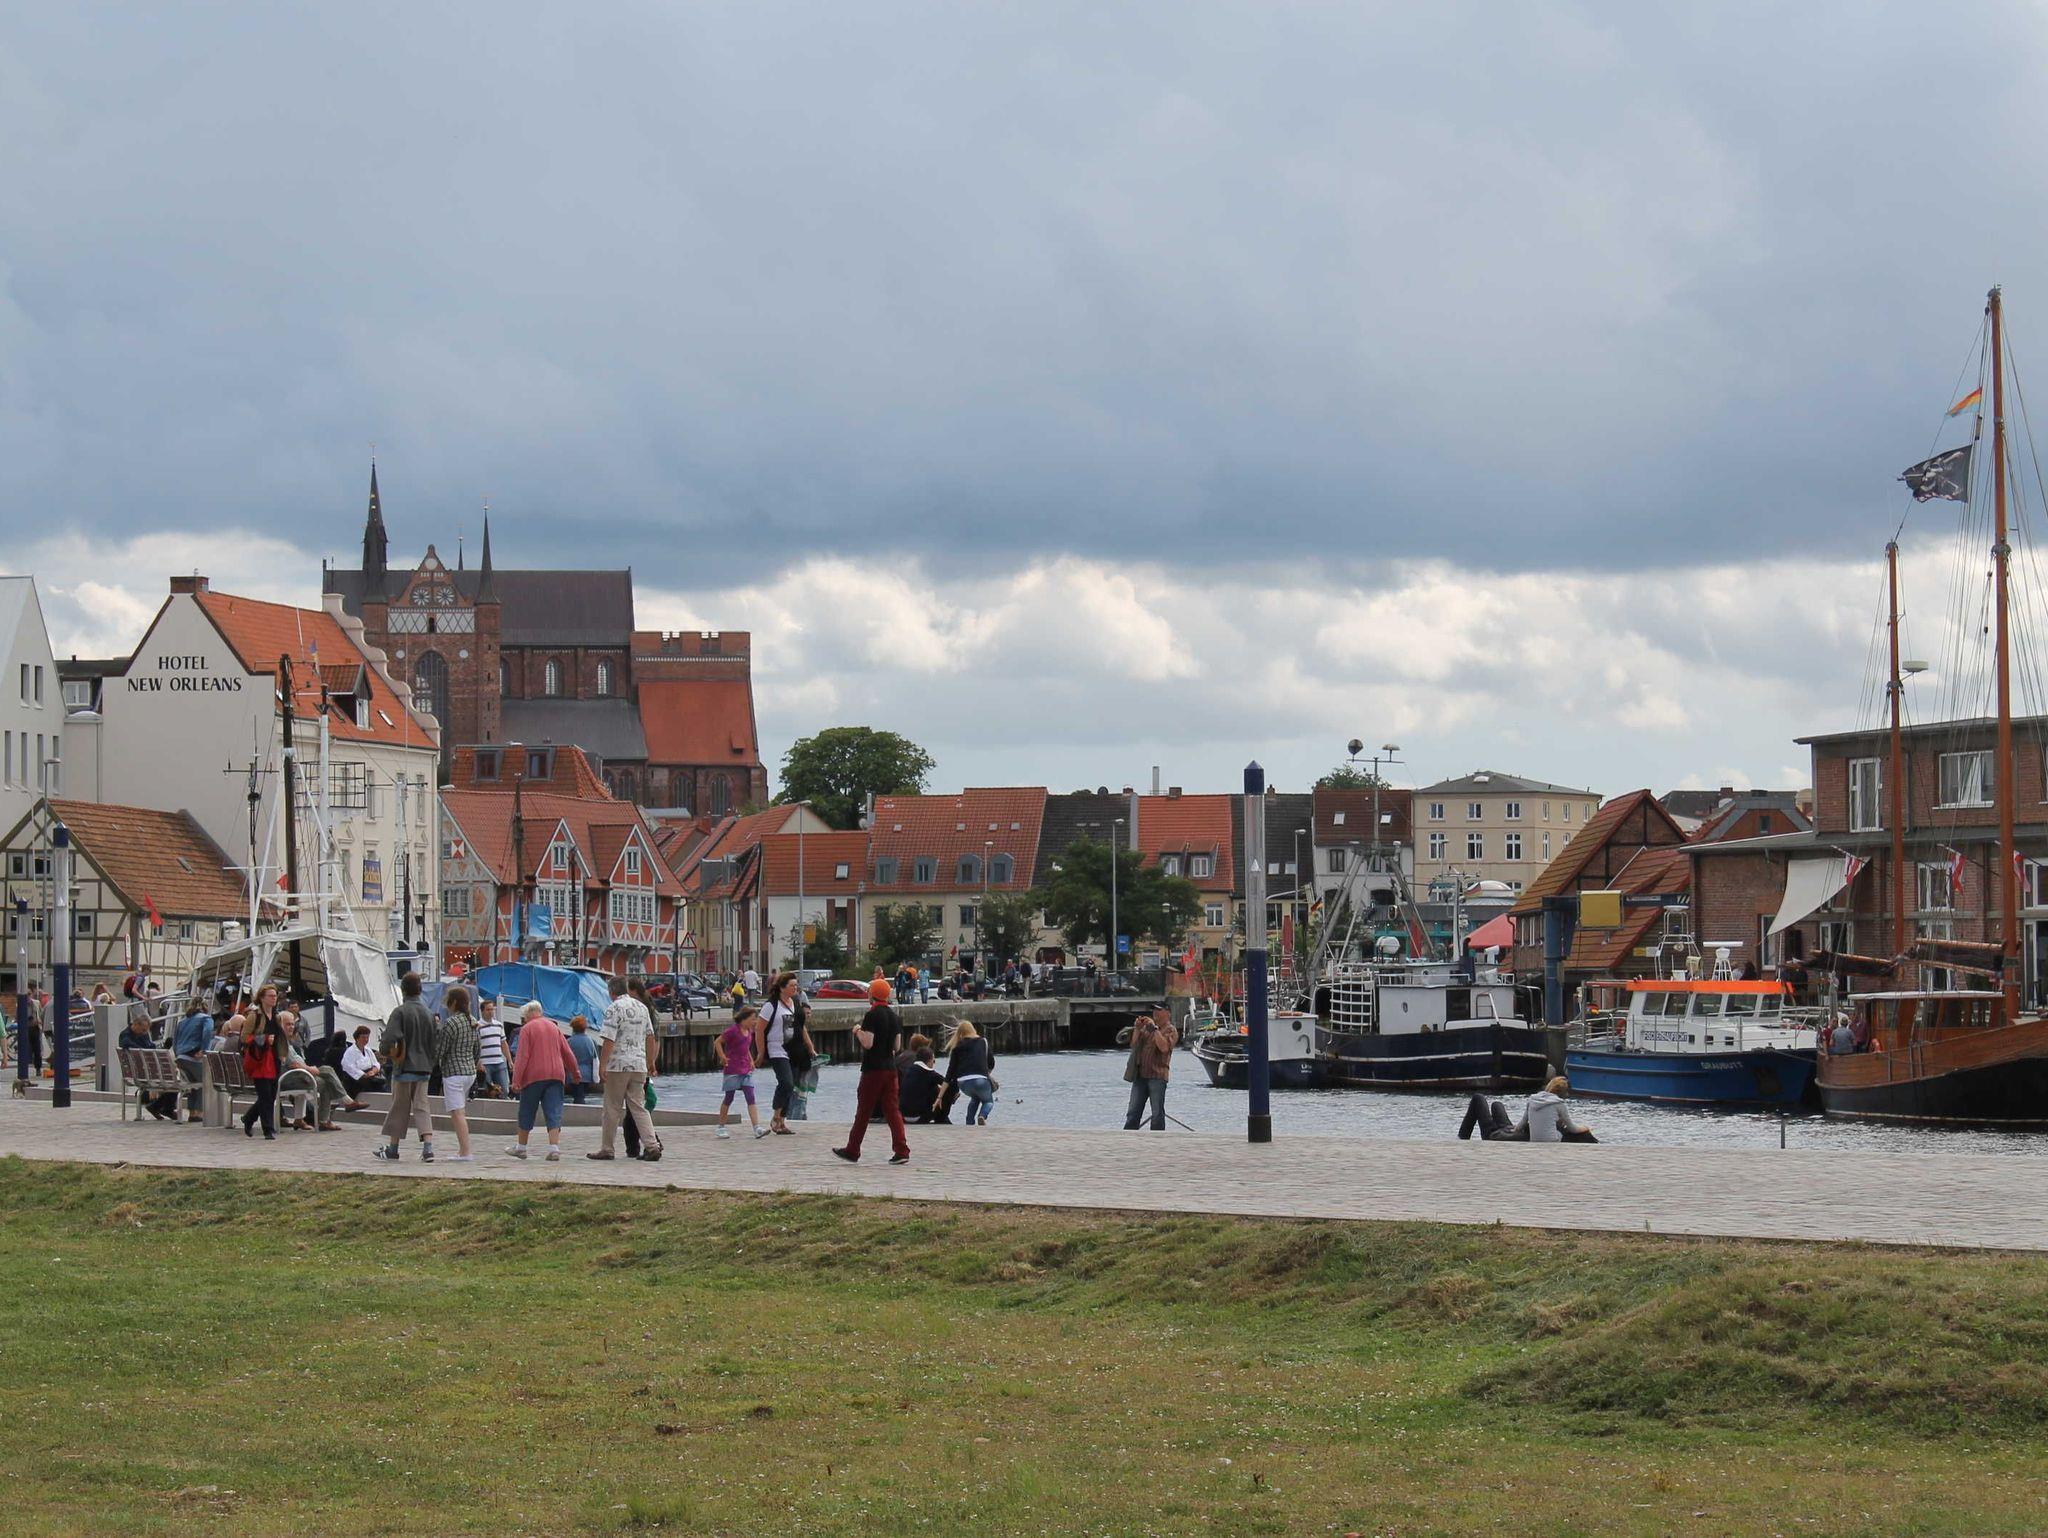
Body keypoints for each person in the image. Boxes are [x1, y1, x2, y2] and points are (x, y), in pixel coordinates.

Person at [834, 979, 909, 1165]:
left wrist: (857, 1031)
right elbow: (897, 1046)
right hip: (890, 1069)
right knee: (892, 1110)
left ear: (872, 994)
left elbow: (868, 1043)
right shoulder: (894, 1016)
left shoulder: (872, 1015)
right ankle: (901, 1150)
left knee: (864, 1110)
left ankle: (852, 1150)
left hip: (873, 1069)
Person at [593, 976, 662, 1162]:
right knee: (638, 1107)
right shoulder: (642, 1008)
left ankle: (607, 1149)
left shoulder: (614, 1008)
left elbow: (609, 1039)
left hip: (618, 1065)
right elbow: (650, 1037)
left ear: (611, 992)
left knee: (612, 1107)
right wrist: (650, 1062)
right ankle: (652, 1146)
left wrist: (603, 1064)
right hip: (639, 1064)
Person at [373, 973, 438, 1163]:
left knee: (399, 1108)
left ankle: (393, 1149)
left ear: (403, 990)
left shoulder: (400, 1012)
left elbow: (388, 1039)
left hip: (403, 1067)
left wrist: (386, 1051)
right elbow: (435, 1042)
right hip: (424, 1069)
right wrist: (430, 1063)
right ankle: (428, 1148)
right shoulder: (429, 1013)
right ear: (420, 990)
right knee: (422, 1107)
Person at [506, 1002, 579, 1161]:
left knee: (527, 1110)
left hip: (533, 1076)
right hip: (556, 1075)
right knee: (554, 1111)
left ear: (527, 1015)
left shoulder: (527, 1029)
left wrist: (516, 1080)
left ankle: (521, 1147)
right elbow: (567, 1052)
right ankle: (554, 1148)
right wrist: (575, 1072)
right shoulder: (554, 1027)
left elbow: (523, 1056)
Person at [274, 1013, 348, 1131]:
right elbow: (293, 1064)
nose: (291, 1027)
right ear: (280, 1025)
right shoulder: (280, 1041)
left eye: (292, 1024)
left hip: (299, 1075)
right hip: (290, 1078)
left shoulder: (287, 1041)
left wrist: (307, 1068)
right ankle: (333, 1112)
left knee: (326, 1075)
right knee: (326, 1080)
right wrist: (309, 1069)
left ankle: (305, 1120)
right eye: (287, 1024)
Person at [434, 985, 480, 1161]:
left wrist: (436, 1063)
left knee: (457, 1113)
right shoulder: (473, 1021)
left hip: (454, 1072)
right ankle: (463, 1151)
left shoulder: (451, 1023)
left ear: (453, 1003)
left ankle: (465, 1152)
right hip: (469, 1071)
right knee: (461, 1111)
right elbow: (477, 1049)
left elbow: (441, 1050)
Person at [760, 972, 809, 1135]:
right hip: (777, 1049)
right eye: (791, 985)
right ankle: (776, 1116)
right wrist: (761, 1052)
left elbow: (801, 1027)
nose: (795, 988)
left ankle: (782, 1121)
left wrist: (810, 1046)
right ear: (782, 988)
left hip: (794, 1050)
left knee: (792, 1085)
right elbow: (759, 1029)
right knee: (786, 1082)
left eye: (796, 985)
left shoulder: (795, 1003)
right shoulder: (771, 1005)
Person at [1122, 1004, 1178, 1132]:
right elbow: (1134, 1044)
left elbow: (1164, 1048)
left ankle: (1157, 1139)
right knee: (1133, 1112)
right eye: (1154, 1010)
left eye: (1159, 1010)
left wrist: (1154, 1029)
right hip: (1140, 1076)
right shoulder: (1146, 1029)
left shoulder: (1171, 1030)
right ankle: (1127, 1138)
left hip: (1157, 1077)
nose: (1155, 1013)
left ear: (1168, 1013)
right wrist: (1137, 1028)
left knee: (1157, 1113)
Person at [715, 1006, 769, 1139]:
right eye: (753, 1019)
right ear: (744, 1019)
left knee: (751, 1097)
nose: (755, 1022)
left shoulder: (749, 1031)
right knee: (729, 1098)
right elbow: (718, 1042)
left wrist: (751, 1061)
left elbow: (746, 1048)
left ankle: (757, 1128)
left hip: (746, 1069)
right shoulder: (733, 1031)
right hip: (732, 1069)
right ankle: (721, 1127)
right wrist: (722, 1056)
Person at [117, 1009, 177, 1119]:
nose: (145, 1032)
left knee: (170, 1076)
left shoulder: (142, 1035)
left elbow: (151, 1047)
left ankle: (153, 1103)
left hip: (146, 1070)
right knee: (174, 1080)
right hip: (142, 1071)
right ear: (135, 1024)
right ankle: (163, 1107)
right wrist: (143, 1051)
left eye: (146, 1030)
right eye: (143, 1030)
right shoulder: (126, 1035)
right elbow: (127, 1044)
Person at [239, 1004, 283, 1140]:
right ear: (262, 998)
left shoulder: (276, 1016)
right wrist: (264, 1038)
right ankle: (268, 1129)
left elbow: (280, 1037)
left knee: (271, 1095)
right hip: (260, 1059)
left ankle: (249, 1117)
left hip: (274, 1058)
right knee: (265, 1095)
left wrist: (283, 1052)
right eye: (270, 995)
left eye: (275, 996)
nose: (273, 998)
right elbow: (244, 1038)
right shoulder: (254, 1016)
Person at [945, 1019, 997, 1126]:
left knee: (975, 1098)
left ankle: (969, 1122)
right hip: (980, 1080)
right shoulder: (983, 1041)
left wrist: (940, 1096)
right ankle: (982, 1115)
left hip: (963, 1083)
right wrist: (986, 1073)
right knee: (988, 1101)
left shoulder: (957, 1047)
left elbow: (950, 1072)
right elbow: (991, 1063)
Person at [172, 995, 213, 1121]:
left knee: (192, 1084)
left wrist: (177, 1053)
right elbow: (207, 1031)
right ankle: (199, 1112)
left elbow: (175, 1040)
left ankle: (191, 1112)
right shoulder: (206, 1018)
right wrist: (204, 1049)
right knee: (204, 1081)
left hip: (181, 1057)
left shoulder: (182, 1021)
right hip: (193, 1056)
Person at [899, 1033, 947, 1123]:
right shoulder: (925, 1069)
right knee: (937, 1088)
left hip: (903, 1111)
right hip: (918, 1115)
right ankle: (943, 1119)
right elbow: (946, 1082)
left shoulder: (904, 1060)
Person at [475, 1000, 511, 1097]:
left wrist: (509, 1060)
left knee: (504, 1090)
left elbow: (504, 1043)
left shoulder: (499, 1025)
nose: (491, 1012)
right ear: (482, 1011)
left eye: (492, 1009)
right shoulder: (477, 1026)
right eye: (488, 1010)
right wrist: (478, 1062)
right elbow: (475, 1046)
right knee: (487, 1091)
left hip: (499, 1062)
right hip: (485, 1064)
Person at [339, 1026, 387, 1100]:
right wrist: (364, 1075)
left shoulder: (368, 1050)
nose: (366, 1040)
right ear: (357, 1038)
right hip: (356, 1080)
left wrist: (373, 1071)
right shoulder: (350, 1052)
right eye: (363, 1037)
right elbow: (349, 1067)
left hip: (370, 1076)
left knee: (381, 1083)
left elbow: (376, 1063)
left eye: (367, 1037)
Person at [566, 1015, 600, 1104]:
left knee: (577, 1096)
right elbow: (595, 1060)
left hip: (572, 1074)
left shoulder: (569, 1042)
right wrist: (596, 1077)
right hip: (587, 1075)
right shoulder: (591, 1042)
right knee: (581, 1096)